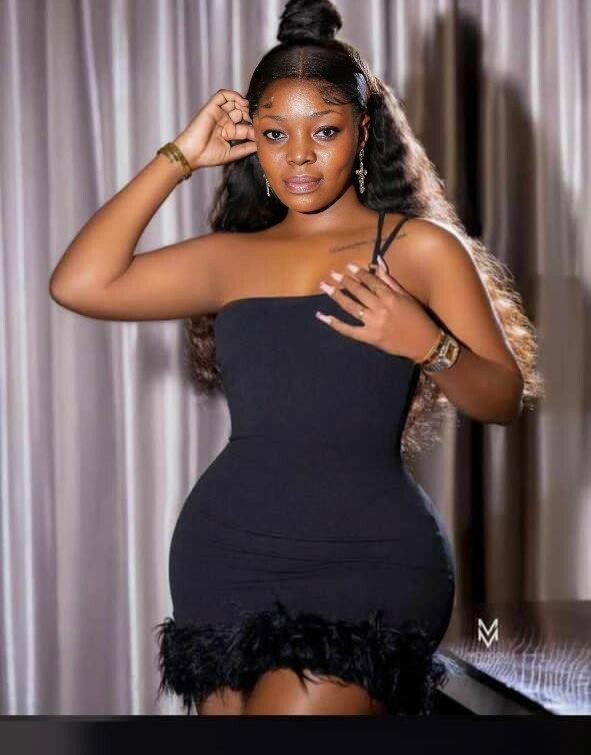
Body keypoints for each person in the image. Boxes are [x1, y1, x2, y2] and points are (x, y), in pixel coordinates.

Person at [49, 0, 543, 716]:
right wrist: (181, 156)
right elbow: (79, 283)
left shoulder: (419, 249)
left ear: (363, 131)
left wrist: (426, 343)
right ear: (252, 136)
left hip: (369, 561)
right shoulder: (231, 257)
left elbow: (500, 397)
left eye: (325, 130)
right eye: (275, 132)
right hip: (227, 555)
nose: (299, 155)